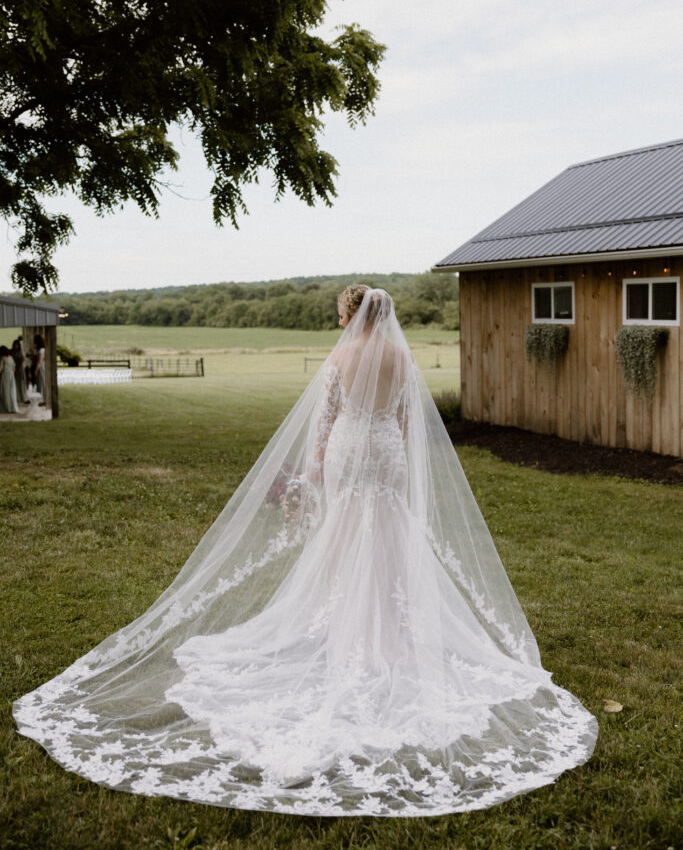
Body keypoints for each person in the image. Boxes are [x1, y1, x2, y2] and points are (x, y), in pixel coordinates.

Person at [13, 286, 597, 816]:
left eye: (340, 316)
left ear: (351, 314)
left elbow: (326, 419)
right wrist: (390, 448)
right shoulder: (401, 356)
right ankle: (387, 632)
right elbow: (403, 419)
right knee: (389, 530)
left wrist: (313, 469)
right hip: (386, 452)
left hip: (348, 448)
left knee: (344, 533)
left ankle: (348, 625)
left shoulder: (342, 356)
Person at [0, 345, 19, 414]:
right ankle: (12, 407)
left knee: (5, 391)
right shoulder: (11, 357)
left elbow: (0, 369)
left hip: (5, 376)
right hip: (11, 376)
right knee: (12, 391)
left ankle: (6, 407)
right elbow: (14, 368)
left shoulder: (3, 358)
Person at [11, 338, 29, 405]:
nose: (16, 346)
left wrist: (20, 368)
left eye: (17, 345)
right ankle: (17, 397)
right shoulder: (12, 352)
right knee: (16, 383)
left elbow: (22, 360)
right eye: (15, 345)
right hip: (14, 368)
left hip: (20, 368)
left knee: (21, 382)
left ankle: (23, 397)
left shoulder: (20, 351)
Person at [33, 334, 46, 406]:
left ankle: (43, 399)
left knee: (41, 382)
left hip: (41, 367)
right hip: (41, 366)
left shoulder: (41, 350)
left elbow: (40, 361)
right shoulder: (42, 349)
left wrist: (36, 370)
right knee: (40, 382)